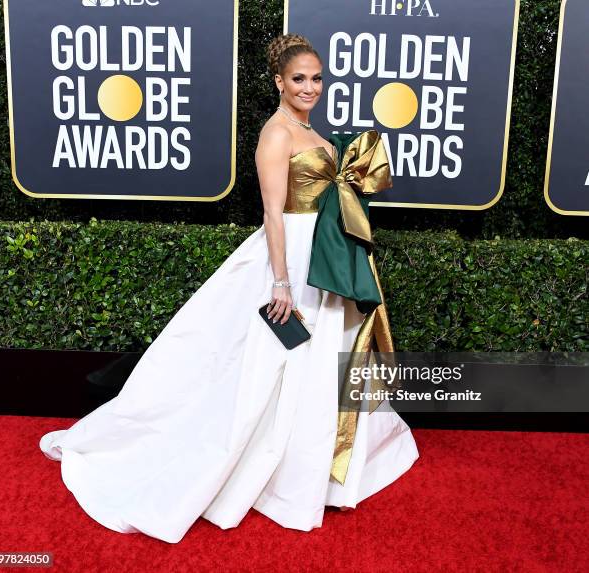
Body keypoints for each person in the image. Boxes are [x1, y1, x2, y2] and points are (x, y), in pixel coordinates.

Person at [39, 33, 419, 544]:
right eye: (300, 79)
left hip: (325, 259)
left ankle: (315, 469)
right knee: (274, 365)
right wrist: (281, 282)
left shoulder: (313, 132)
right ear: (279, 82)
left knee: (314, 362)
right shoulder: (277, 134)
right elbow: (272, 213)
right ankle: (270, 471)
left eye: (317, 78)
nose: (311, 87)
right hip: (292, 262)